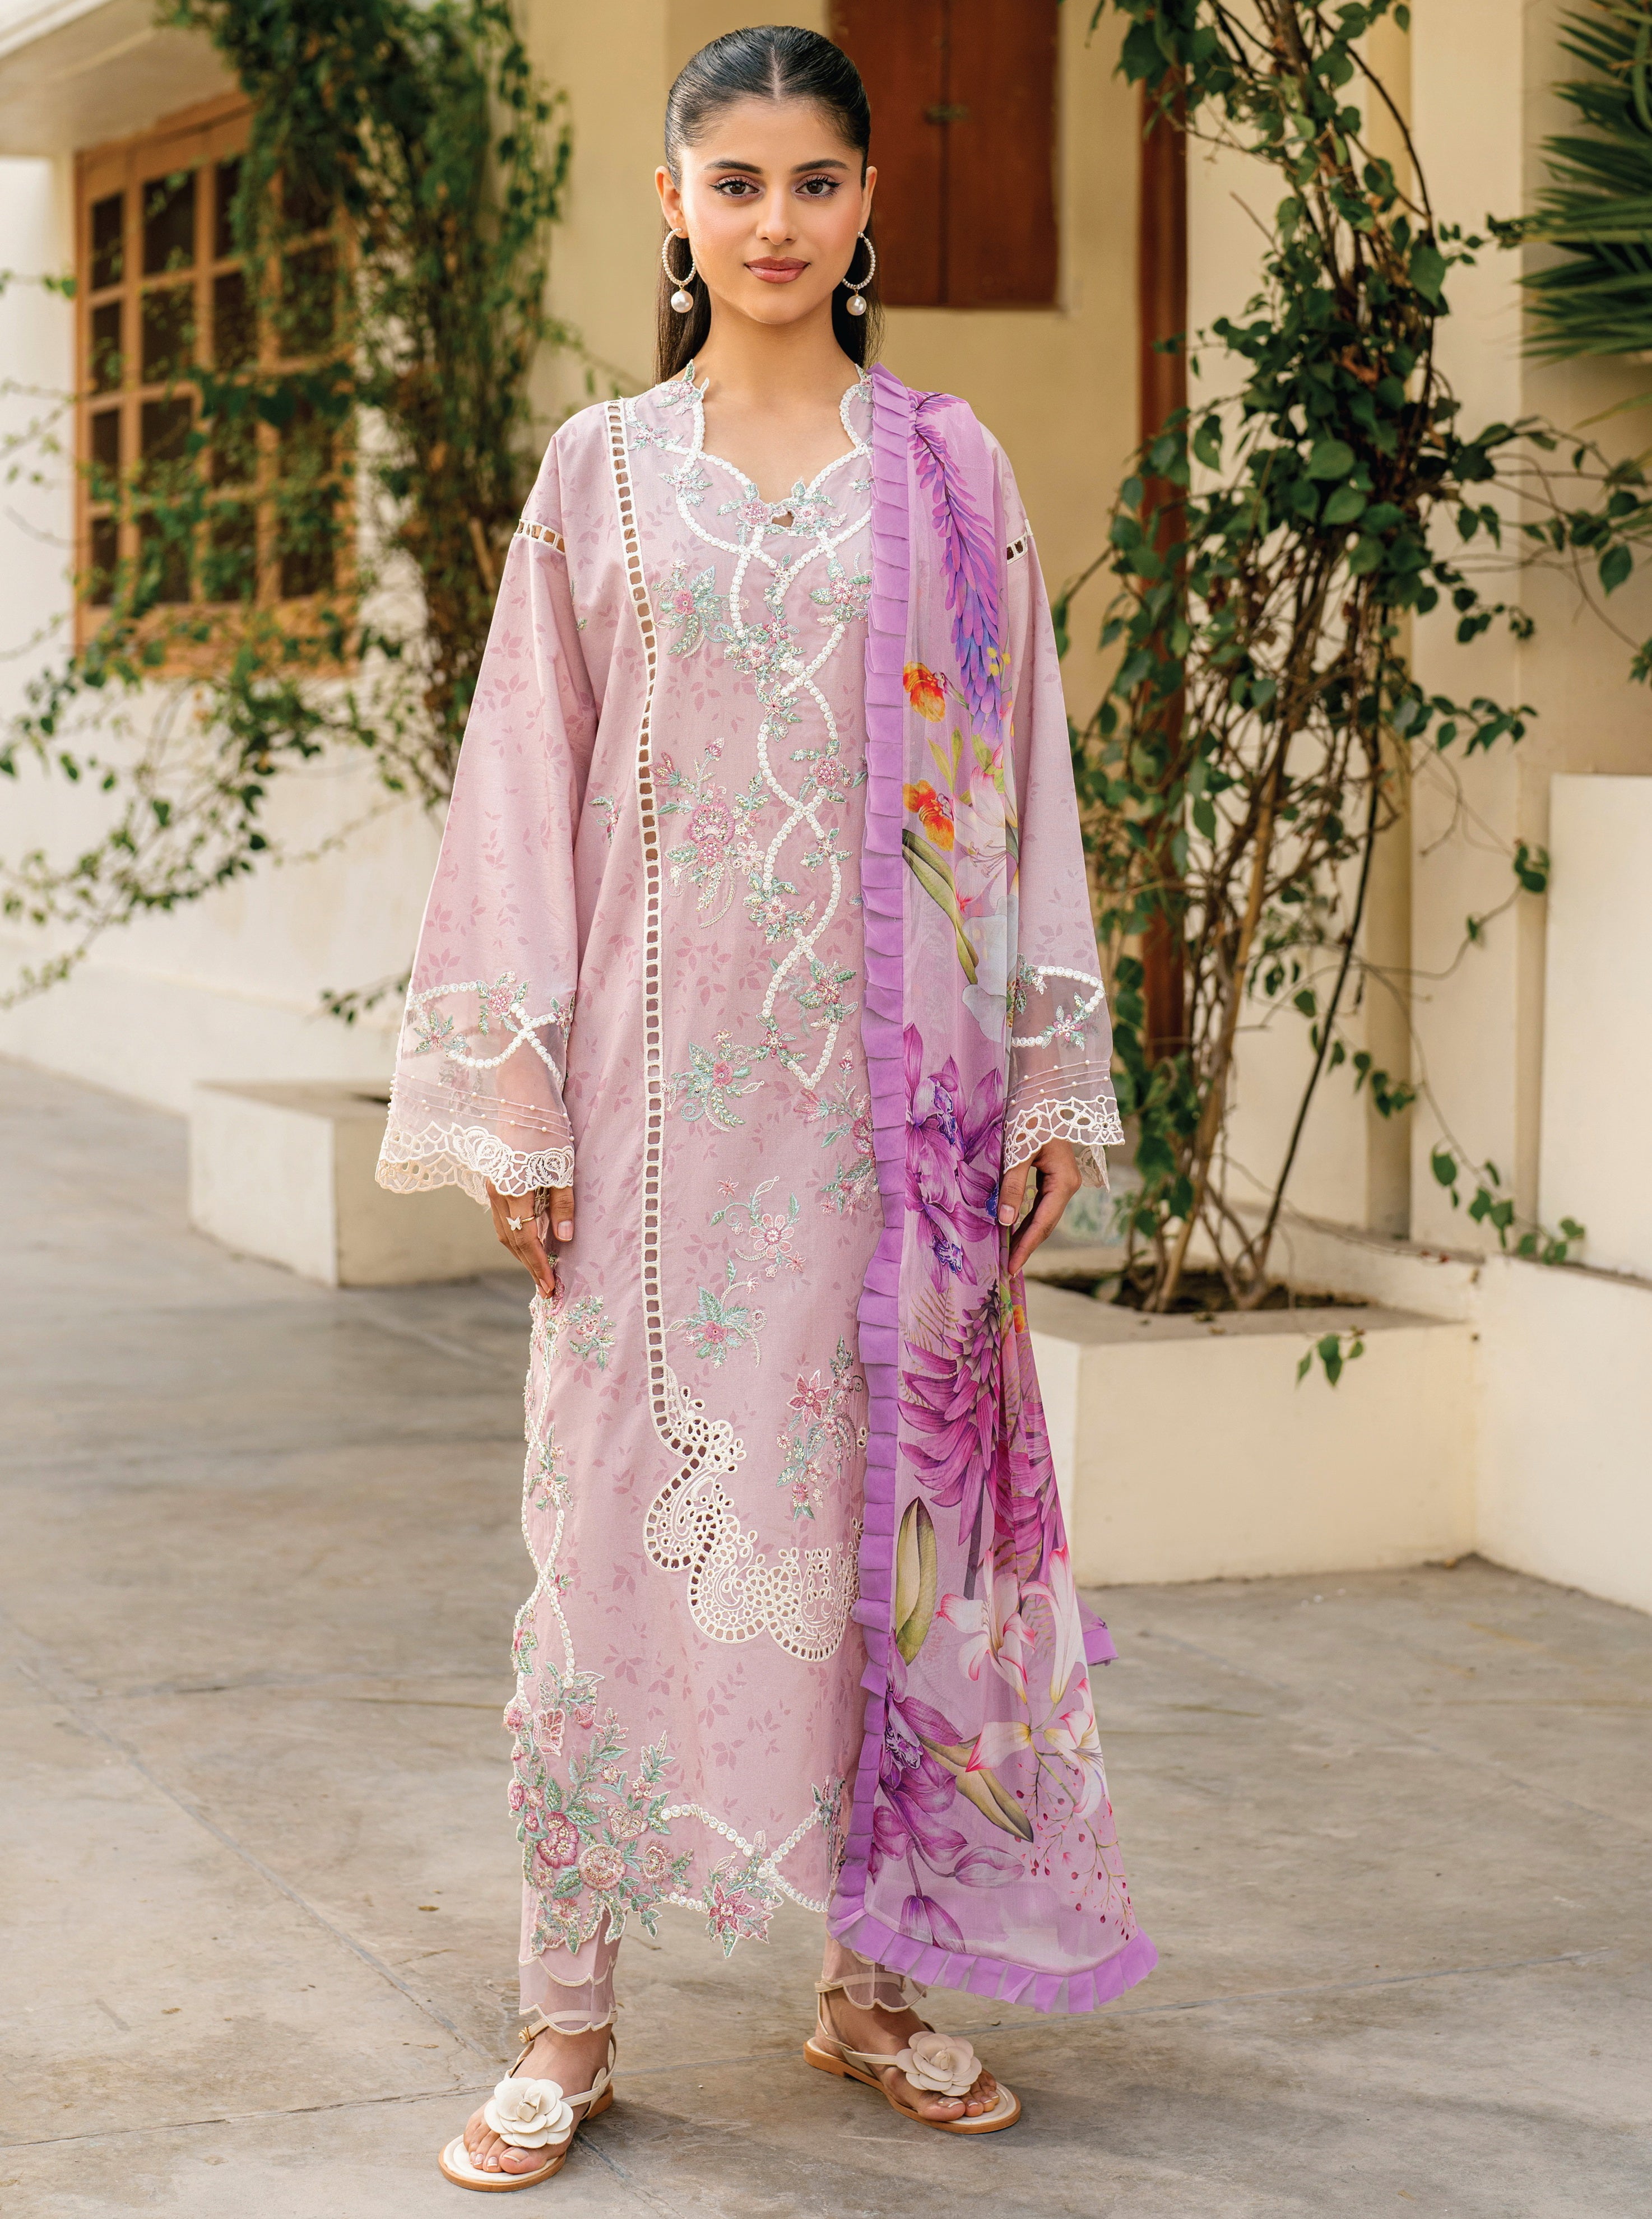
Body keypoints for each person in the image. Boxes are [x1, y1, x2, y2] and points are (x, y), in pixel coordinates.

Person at [376, 24, 1154, 2190]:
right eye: (735, 183)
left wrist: (1046, 1072)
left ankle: (869, 1988)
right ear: (673, 204)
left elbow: (1018, 781)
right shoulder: (600, 475)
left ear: (868, 202)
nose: (776, 222)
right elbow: (520, 784)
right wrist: (519, 1102)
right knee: (607, 1525)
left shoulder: (950, 471)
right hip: (658, 1124)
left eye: (815, 182)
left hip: (897, 1130)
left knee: (892, 1537)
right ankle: (566, 2011)